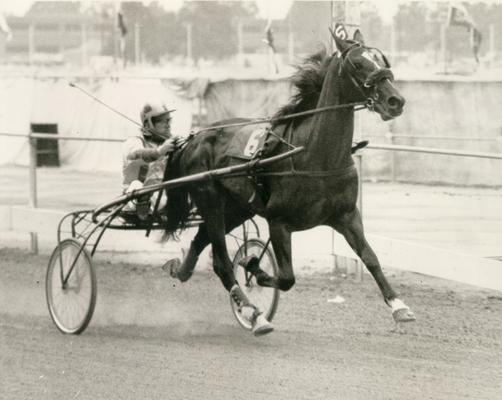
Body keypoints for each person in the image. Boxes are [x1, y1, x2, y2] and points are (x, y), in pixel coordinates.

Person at [122, 102, 182, 219]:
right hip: (134, 197)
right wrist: (159, 152)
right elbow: (136, 154)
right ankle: (143, 209)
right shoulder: (134, 140)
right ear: (148, 124)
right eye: (162, 121)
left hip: (162, 196)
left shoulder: (171, 139)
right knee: (137, 185)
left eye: (169, 120)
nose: (168, 125)